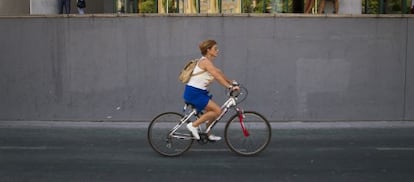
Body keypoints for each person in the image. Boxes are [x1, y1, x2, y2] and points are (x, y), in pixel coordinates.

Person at [184, 40, 239, 141]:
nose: (217, 50)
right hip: (194, 93)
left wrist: (231, 82)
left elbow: (219, 73)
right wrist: (229, 87)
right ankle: (193, 125)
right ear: (208, 50)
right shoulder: (205, 62)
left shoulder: (208, 62)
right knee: (217, 111)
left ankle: (207, 134)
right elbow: (217, 76)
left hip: (199, 92)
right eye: (215, 49)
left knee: (212, 112)